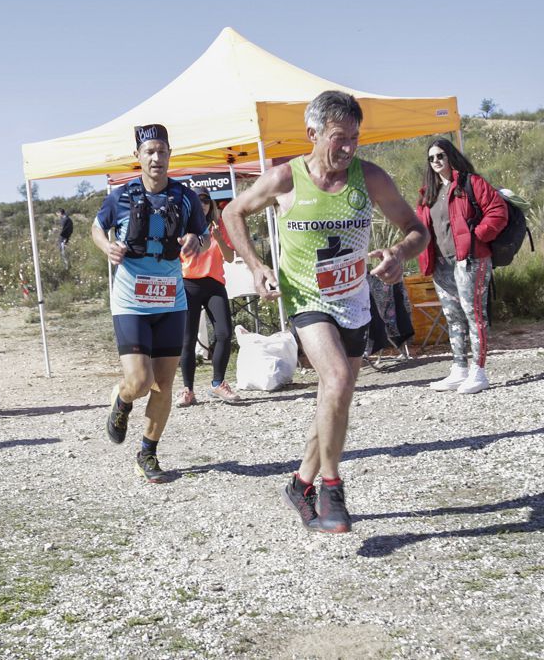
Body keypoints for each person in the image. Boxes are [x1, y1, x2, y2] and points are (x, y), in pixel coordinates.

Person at [223, 91, 429, 533]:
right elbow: (232, 211)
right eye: (339, 138)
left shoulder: (369, 178)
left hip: (354, 302)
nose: (349, 148)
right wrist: (257, 267)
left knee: (333, 400)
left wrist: (398, 253)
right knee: (335, 379)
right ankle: (332, 490)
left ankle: (300, 484)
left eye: (355, 138)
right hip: (306, 301)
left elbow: (417, 231)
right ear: (312, 134)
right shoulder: (285, 178)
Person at [91, 124, 207, 483]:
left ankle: (148, 452)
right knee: (139, 382)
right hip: (131, 300)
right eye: (150, 152)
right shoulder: (121, 196)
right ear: (138, 157)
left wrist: (195, 242)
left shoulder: (185, 197)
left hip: (170, 299)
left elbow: (204, 234)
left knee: (163, 385)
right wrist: (106, 246)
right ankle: (123, 401)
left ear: (170, 154)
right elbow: (96, 228)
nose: (157, 158)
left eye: (162, 151)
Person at [417, 138, 508, 394]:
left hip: (471, 260)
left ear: (451, 156)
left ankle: (479, 372)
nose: (436, 161)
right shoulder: (428, 193)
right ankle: (459, 369)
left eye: (441, 156)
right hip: (441, 264)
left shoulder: (471, 183)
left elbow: (498, 211)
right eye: (432, 158)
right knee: (453, 317)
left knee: (474, 315)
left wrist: (477, 236)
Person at [176, 188, 240, 407]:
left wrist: (219, 238)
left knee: (224, 333)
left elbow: (230, 258)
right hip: (188, 284)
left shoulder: (219, 225)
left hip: (214, 284)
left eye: (205, 200)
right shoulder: (182, 227)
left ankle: (218, 383)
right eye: (196, 200)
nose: (201, 203)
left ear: (210, 204)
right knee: (188, 339)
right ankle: (188, 391)